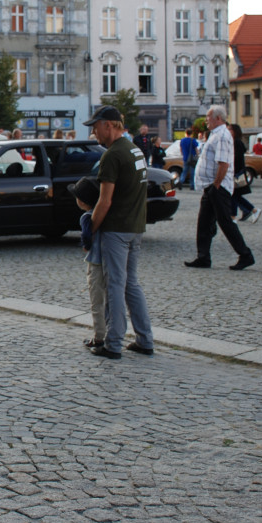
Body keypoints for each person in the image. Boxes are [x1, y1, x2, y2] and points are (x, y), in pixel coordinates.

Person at [81, 105, 155, 359]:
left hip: (116, 229)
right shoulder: (135, 150)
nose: (94, 133)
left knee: (114, 285)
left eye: (96, 127)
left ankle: (113, 344)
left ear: (109, 125)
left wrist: (90, 230)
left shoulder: (112, 155)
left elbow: (105, 201)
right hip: (135, 227)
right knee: (131, 284)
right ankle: (145, 339)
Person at [184, 105, 255, 271]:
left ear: (218, 118)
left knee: (225, 222)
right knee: (204, 222)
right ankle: (203, 257)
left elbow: (223, 163)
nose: (206, 121)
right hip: (211, 185)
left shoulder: (222, 135)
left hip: (218, 186)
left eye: (208, 117)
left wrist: (216, 185)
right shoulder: (215, 134)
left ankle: (245, 255)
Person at [70, 175, 107, 350]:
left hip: (95, 261)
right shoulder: (106, 214)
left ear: (82, 202)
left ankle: (99, 336)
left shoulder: (87, 216)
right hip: (110, 260)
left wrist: (86, 245)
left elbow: (86, 234)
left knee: (96, 301)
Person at [229, 123, 261, 223]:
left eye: (230, 129)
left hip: (236, 173)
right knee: (235, 195)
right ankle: (253, 210)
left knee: (233, 195)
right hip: (235, 172)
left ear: (235, 131)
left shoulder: (236, 142)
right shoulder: (235, 142)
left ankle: (233, 216)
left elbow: (237, 158)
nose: (228, 131)